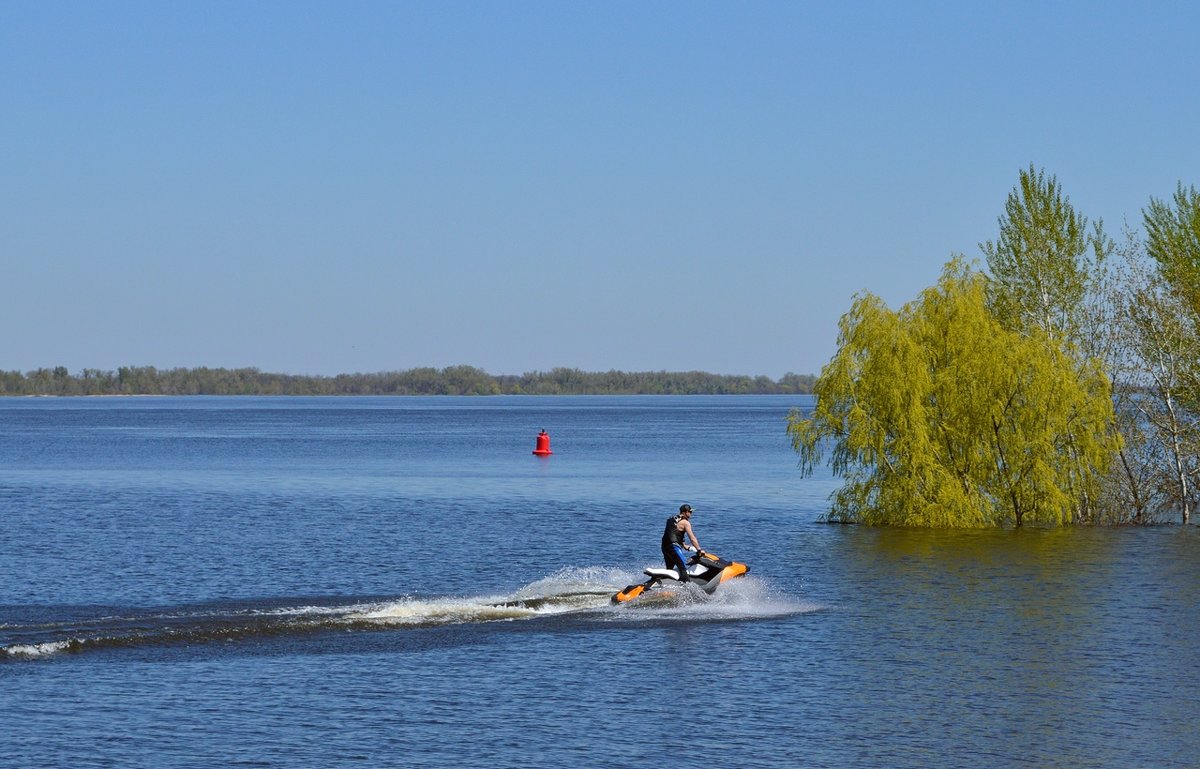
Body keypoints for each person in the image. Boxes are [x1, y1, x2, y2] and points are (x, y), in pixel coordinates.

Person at [661, 503, 703, 582]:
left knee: (669, 569)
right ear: (684, 512)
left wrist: (683, 545)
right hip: (673, 548)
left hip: (665, 547)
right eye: (689, 512)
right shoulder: (685, 523)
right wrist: (699, 550)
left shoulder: (672, 519)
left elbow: (672, 533)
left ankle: (665, 584)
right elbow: (692, 538)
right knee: (683, 569)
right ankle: (687, 590)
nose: (691, 513)